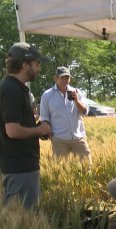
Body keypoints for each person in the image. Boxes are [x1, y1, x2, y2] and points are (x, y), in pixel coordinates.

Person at [0, 42, 51, 210]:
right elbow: (12, 131)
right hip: (20, 167)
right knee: (21, 219)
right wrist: (39, 130)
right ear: (24, 65)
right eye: (36, 64)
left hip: (19, 165)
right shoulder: (11, 90)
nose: (39, 69)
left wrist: (36, 130)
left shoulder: (15, 88)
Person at [40, 66, 92, 163]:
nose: (65, 80)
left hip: (78, 137)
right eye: (62, 77)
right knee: (61, 168)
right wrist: (50, 134)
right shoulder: (47, 95)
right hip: (59, 139)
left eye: (67, 77)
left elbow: (85, 112)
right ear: (55, 78)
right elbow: (44, 117)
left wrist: (76, 100)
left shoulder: (77, 92)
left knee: (86, 166)